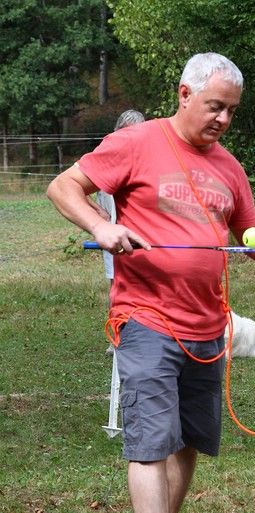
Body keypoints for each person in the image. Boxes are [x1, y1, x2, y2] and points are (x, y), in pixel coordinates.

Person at [46, 52, 255, 513]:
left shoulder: (229, 168)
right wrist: (102, 226)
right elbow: (63, 187)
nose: (223, 118)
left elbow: (253, 240)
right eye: (215, 106)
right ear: (184, 94)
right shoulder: (137, 142)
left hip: (207, 326)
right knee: (151, 440)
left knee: (187, 441)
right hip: (145, 316)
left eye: (232, 111)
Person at [95, 110, 145, 354]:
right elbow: (73, 186)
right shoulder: (105, 154)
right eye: (130, 132)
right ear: (118, 132)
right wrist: (98, 215)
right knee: (116, 286)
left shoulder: (146, 157)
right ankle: (115, 336)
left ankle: (145, 334)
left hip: (142, 236)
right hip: (113, 236)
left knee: (145, 285)